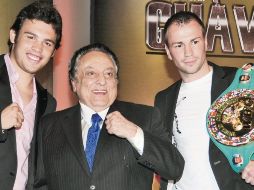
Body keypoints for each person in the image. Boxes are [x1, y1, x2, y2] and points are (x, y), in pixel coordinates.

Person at [33, 43, 184, 190]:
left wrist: (134, 133)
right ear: (74, 83)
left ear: (116, 81)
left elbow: (174, 168)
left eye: (109, 74)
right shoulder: (49, 125)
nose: (102, 81)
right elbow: (40, 184)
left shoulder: (145, 116)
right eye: (91, 73)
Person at [154, 11, 254, 190]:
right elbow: (165, 156)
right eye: (178, 45)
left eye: (194, 41)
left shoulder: (239, 81)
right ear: (168, 52)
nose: (188, 52)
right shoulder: (163, 99)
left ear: (205, 42)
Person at [0, 1, 62, 190]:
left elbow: (36, 168)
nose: (38, 48)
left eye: (47, 43)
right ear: (13, 36)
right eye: (31, 37)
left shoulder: (48, 102)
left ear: (53, 52)